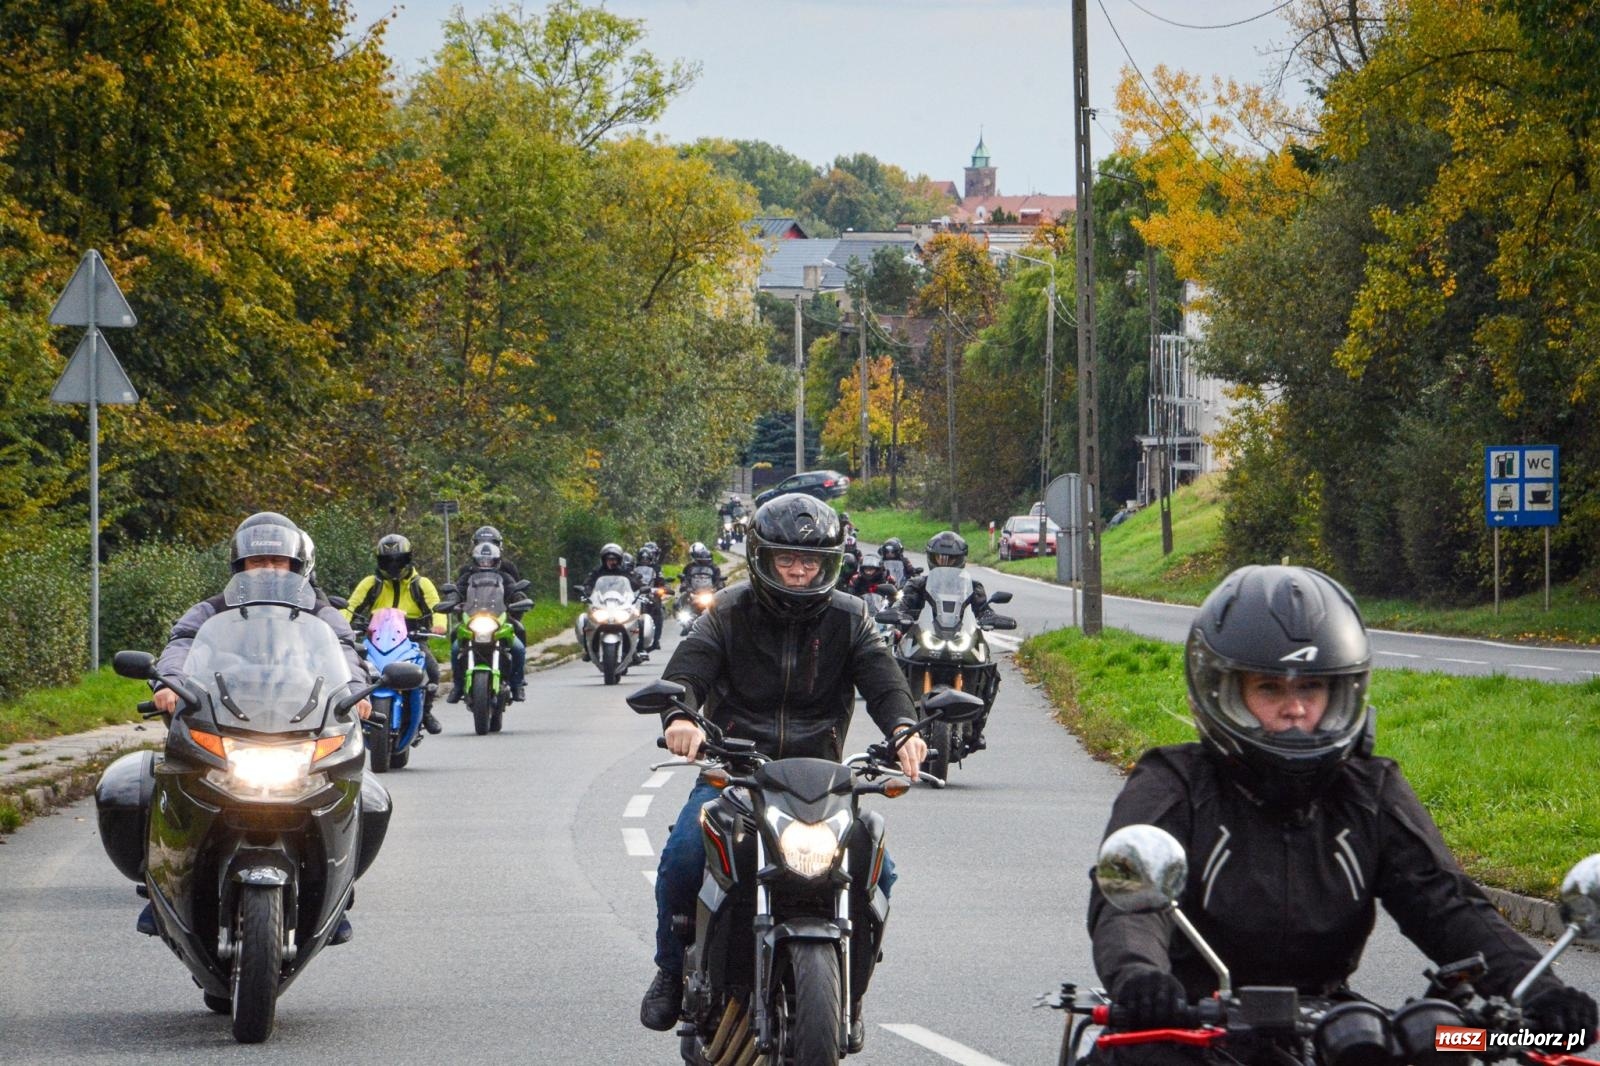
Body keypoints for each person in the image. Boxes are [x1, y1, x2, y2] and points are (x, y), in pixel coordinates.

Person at [1087, 565, 1596, 1060]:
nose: (1295, 708)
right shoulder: (1174, 782)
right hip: (1188, 1025)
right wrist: (1140, 978)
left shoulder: (1370, 790)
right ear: (1223, 690)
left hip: (1337, 1028)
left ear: (1341, 691)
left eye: (1310, 688)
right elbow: (1131, 901)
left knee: (1455, 1046)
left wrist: (1540, 992)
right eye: (1270, 688)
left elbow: (1447, 904)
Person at [640, 494, 929, 1054]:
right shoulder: (727, 610)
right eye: (787, 561)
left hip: (820, 780)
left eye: (811, 562)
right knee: (682, 856)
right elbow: (689, 669)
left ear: (828, 565)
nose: (799, 571)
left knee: (881, 870)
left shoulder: (851, 617)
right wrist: (680, 715)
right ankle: (671, 972)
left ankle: (849, 993)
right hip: (736, 772)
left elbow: (884, 680)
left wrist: (903, 730)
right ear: (763, 559)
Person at [144, 512, 369, 941]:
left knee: (367, 796)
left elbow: (346, 654)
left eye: (277, 561)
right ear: (240, 566)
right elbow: (181, 644)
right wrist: (169, 682)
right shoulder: (211, 610)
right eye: (257, 561)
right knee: (154, 785)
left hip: (300, 725)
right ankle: (159, 888)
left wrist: (356, 693)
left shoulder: (323, 614)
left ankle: (338, 893)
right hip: (223, 721)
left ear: (296, 567)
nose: (267, 569)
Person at [343, 534, 447, 733]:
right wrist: (341, 627)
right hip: (376, 636)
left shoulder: (421, 583)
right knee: (355, 669)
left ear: (408, 559)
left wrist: (439, 624)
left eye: (399, 561)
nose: (393, 566)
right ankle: (353, 710)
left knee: (432, 670)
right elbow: (350, 606)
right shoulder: (371, 583)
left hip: (412, 637)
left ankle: (425, 712)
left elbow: (437, 607)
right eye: (388, 561)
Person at [445, 541, 528, 701]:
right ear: (475, 560)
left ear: (496, 560)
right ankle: (458, 685)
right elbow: (457, 591)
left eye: (488, 560)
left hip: (499, 620)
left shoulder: (504, 577)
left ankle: (517, 685)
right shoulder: (467, 577)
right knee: (456, 648)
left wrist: (519, 600)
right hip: (472, 620)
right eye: (481, 560)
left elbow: (514, 590)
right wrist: (452, 600)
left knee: (518, 648)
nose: (485, 563)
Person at [894, 530, 997, 623]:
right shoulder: (917, 584)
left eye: (950, 558)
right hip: (923, 632)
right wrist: (896, 610)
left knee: (981, 643)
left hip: (962, 635)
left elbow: (983, 609)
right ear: (931, 558)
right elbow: (905, 602)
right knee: (898, 637)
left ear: (960, 559)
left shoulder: (973, 586)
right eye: (939, 557)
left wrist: (989, 616)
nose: (944, 562)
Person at [635, 542, 672, 652]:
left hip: (652, 596)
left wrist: (664, 587)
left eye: (647, 559)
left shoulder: (656, 569)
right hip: (637, 596)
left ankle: (656, 640)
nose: (644, 561)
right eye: (642, 559)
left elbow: (661, 581)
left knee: (659, 612)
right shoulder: (633, 569)